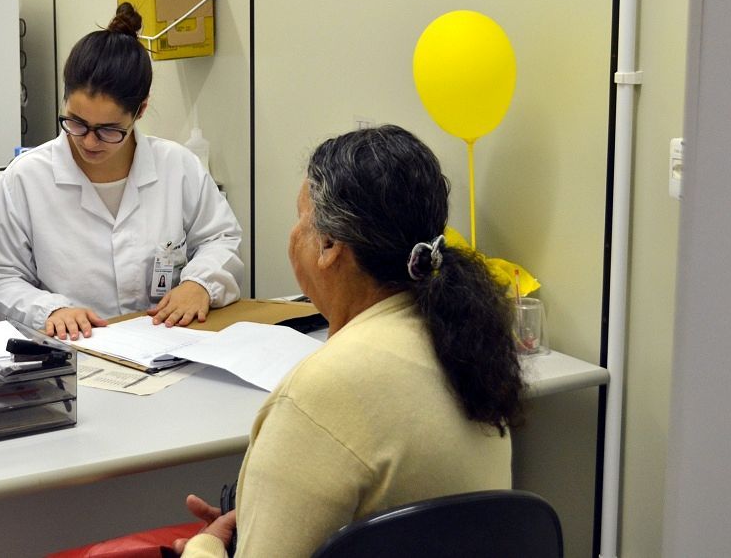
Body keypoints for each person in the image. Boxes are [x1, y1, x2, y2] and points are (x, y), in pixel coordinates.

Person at [175, 125, 525, 557]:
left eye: (300, 218)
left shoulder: (320, 391)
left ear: (328, 245)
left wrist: (205, 546)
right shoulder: (467, 347)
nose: (293, 234)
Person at [0, 3, 243, 340]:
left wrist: (199, 283)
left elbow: (221, 238)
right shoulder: (25, 180)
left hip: (166, 345)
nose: (88, 141)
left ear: (140, 110)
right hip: (72, 354)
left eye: (108, 130)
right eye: (76, 122)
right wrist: (50, 309)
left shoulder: (178, 166)